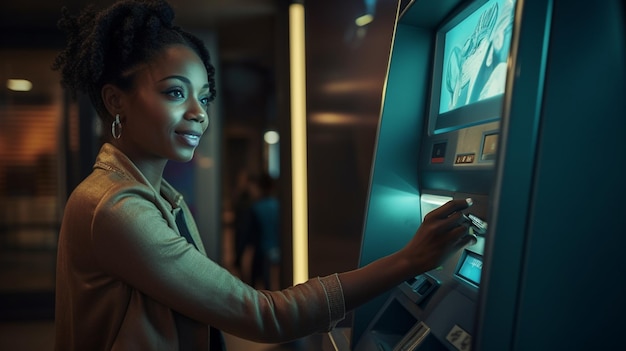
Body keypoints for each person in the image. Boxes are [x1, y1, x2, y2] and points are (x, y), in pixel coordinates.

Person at [52, 0, 476, 350]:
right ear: (115, 101)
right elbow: (264, 315)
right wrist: (410, 260)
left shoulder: (153, 197)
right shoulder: (116, 206)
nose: (199, 113)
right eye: (175, 92)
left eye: (205, 96)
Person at [248, 173, 280, 290]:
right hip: (277, 249)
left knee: (258, 285)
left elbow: (252, 235)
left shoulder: (257, 207)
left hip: (262, 251)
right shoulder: (278, 205)